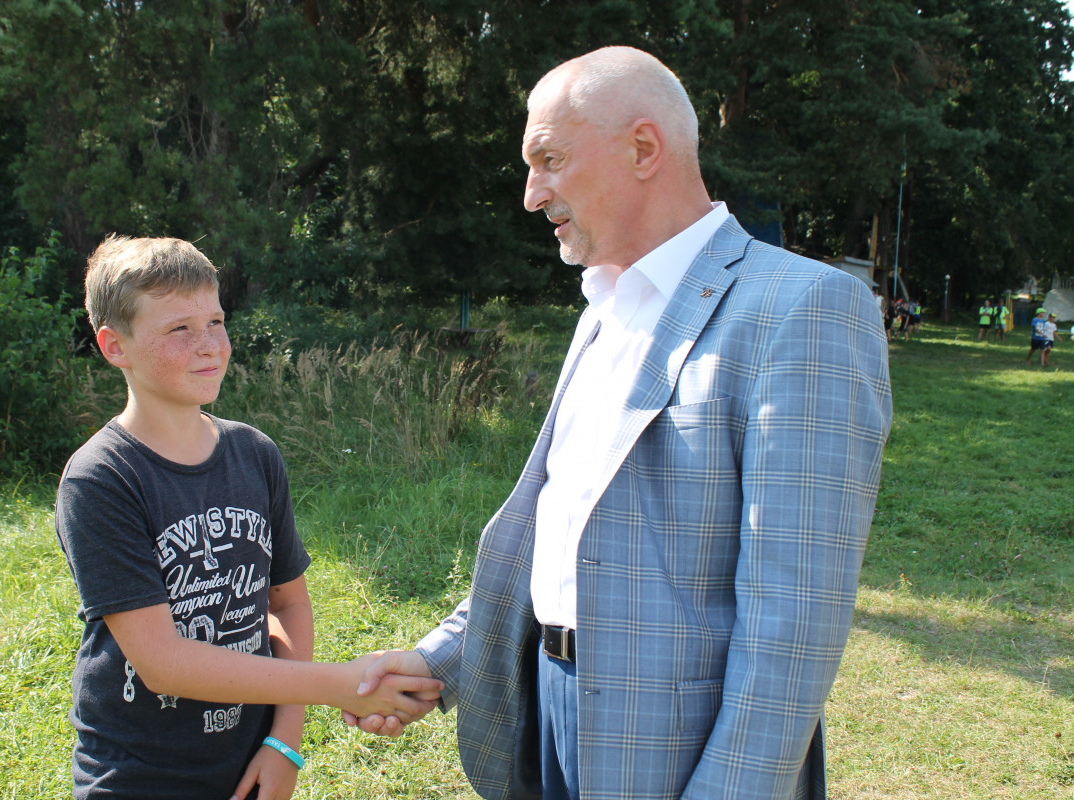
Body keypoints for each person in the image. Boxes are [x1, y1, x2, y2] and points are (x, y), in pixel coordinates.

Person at [347, 47, 892, 800]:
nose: (531, 195)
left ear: (643, 149)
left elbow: (793, 626)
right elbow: (559, 532)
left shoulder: (803, 308)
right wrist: (438, 661)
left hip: (679, 751)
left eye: (549, 160)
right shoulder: (602, 308)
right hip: (546, 711)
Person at [54, 236, 441, 800]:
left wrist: (285, 740)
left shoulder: (254, 454)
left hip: (249, 759)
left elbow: (287, 604)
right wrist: (341, 684)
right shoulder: (101, 478)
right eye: (179, 329)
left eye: (216, 321)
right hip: (138, 772)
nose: (209, 345)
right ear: (115, 346)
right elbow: (161, 662)